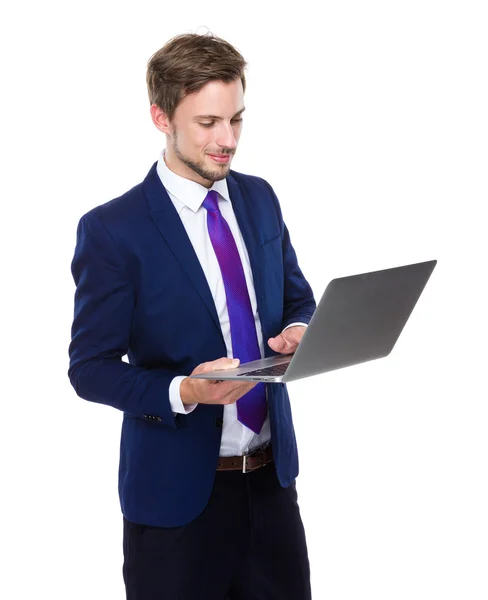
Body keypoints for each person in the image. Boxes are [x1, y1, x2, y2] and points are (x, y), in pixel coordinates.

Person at [68, 31, 316, 600]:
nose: (226, 140)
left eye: (237, 120)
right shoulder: (113, 231)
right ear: (162, 117)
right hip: (177, 506)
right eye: (208, 123)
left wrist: (301, 330)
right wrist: (187, 389)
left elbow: (297, 297)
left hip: (273, 487)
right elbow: (90, 368)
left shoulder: (260, 199)